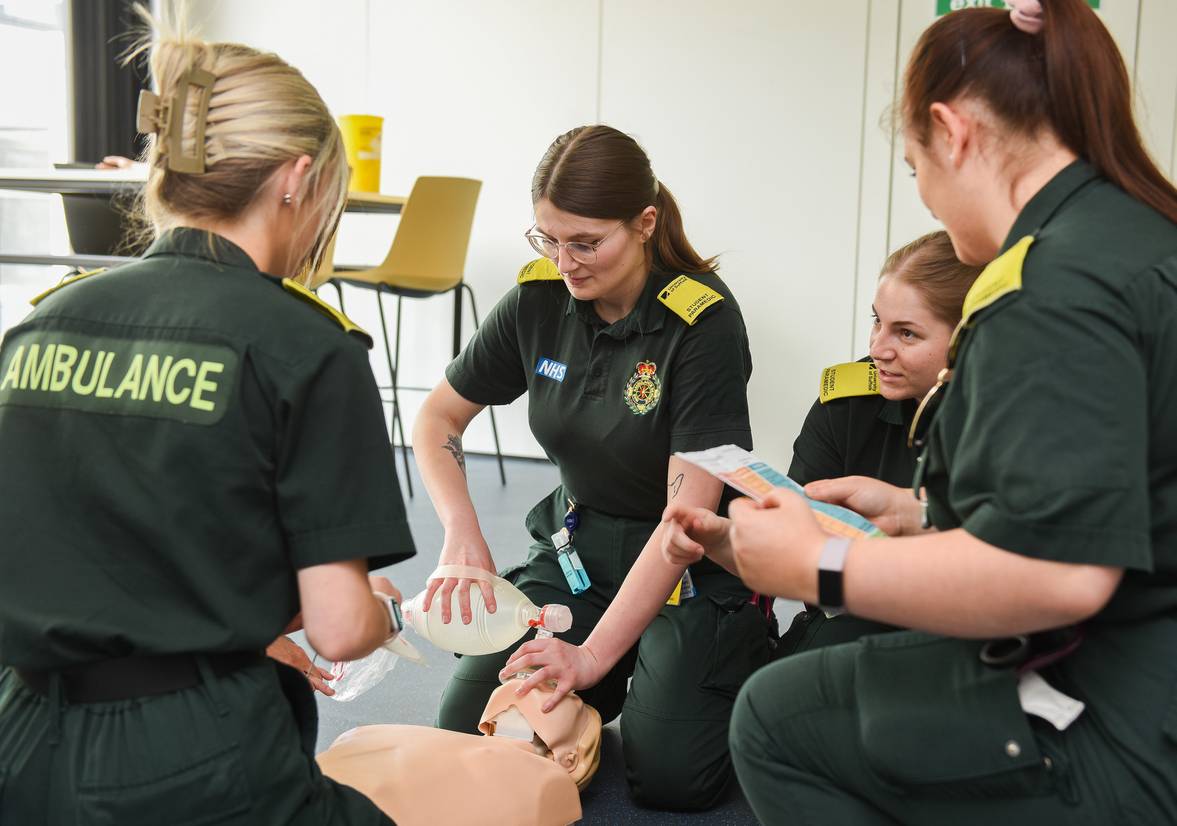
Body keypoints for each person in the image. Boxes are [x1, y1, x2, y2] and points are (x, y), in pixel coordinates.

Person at [665, 0, 1177, 823]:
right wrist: (915, 512)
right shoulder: (1140, 234)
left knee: (775, 719)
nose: (928, 200)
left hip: (1118, 722)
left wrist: (818, 568)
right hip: (1146, 663)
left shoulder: (1048, 290)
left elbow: (1060, 573)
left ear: (951, 132)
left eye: (913, 168)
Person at [0, 11, 415, 825]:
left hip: (20, 736)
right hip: (189, 756)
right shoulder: (308, 346)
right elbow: (338, 632)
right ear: (297, 177)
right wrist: (384, 610)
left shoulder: (39, 323)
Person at [412, 124, 777, 810]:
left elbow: (685, 521)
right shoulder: (537, 299)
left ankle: (723, 654)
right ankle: (607, 678)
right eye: (546, 239)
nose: (564, 261)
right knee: (465, 727)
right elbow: (436, 420)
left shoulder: (701, 322)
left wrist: (590, 657)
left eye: (585, 242)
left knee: (672, 780)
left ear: (644, 224)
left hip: (688, 567)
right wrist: (460, 533)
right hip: (574, 549)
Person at [780, 230, 982, 653]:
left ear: (969, 340)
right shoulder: (848, 403)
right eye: (877, 321)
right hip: (857, 614)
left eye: (906, 334)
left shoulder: (1010, 418)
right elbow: (801, 547)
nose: (877, 348)